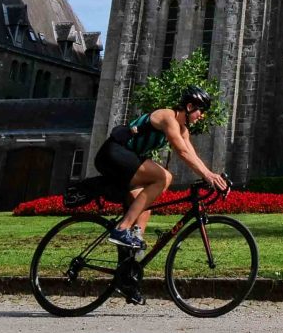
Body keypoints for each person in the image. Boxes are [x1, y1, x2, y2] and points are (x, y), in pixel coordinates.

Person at [94, 85, 230, 253]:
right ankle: (122, 229)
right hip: (113, 153)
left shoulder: (183, 130)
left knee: (144, 202)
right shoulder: (168, 117)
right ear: (189, 107)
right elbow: (182, 152)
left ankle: (134, 249)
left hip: (127, 158)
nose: (201, 116)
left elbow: (192, 155)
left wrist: (211, 176)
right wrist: (208, 176)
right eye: (201, 111)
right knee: (164, 177)